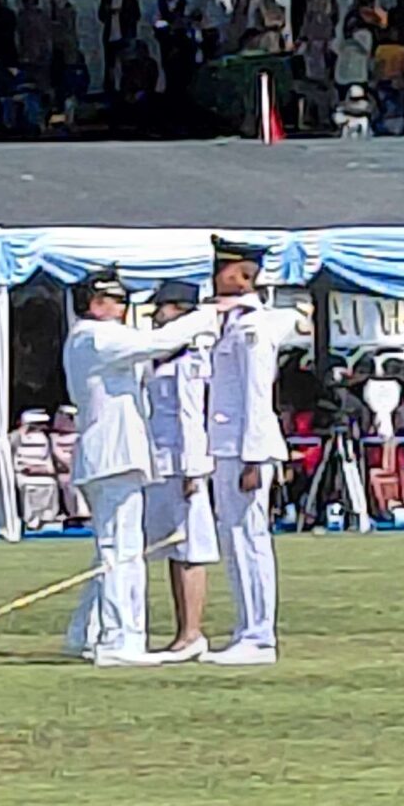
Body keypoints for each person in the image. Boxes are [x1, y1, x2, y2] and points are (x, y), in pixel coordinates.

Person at [59, 268, 222, 667]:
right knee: (122, 550)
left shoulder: (90, 338)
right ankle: (119, 640)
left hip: (111, 455)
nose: (124, 309)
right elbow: (158, 342)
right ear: (98, 303)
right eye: (118, 302)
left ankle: (87, 633)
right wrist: (207, 315)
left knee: (112, 549)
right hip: (113, 456)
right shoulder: (98, 336)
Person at [203, 240, 310, 663]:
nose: (216, 276)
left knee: (249, 539)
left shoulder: (252, 327)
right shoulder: (231, 322)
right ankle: (247, 628)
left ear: (242, 275)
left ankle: (259, 635)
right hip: (228, 445)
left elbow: (255, 395)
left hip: (245, 446)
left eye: (224, 269)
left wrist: (252, 456)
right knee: (235, 539)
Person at [140, 281, 217, 657]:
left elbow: (191, 417)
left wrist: (193, 469)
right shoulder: (161, 357)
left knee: (190, 548)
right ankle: (182, 632)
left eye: (163, 308)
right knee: (172, 549)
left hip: (181, 462)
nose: (156, 315)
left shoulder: (189, 359)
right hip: (160, 460)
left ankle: (192, 632)